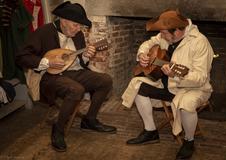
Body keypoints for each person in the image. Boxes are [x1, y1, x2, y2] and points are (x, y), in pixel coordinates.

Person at [16, 1, 116, 152]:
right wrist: (46, 62)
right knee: (76, 90)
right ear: (63, 20)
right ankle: (58, 129)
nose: (78, 29)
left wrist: (87, 56)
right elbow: (21, 57)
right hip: (49, 76)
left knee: (105, 80)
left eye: (80, 26)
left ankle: (89, 120)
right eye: (75, 25)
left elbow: (80, 61)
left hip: (74, 72)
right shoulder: (44, 32)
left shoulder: (78, 34)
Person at [122, 9, 214, 159]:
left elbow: (200, 77)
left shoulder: (199, 42)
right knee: (137, 85)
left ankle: (189, 141)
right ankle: (150, 131)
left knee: (186, 104)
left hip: (193, 88)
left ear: (177, 31)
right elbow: (149, 43)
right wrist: (142, 55)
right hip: (167, 85)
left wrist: (175, 76)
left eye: (164, 33)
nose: (161, 36)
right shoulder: (168, 36)